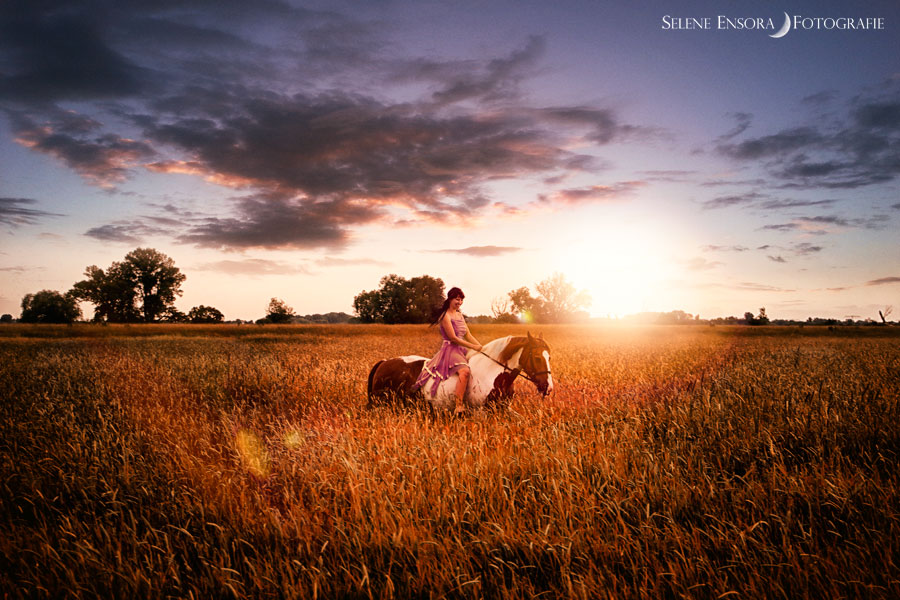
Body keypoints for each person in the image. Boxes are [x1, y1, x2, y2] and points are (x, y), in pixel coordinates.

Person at [413, 287, 483, 415]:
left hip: (462, 348)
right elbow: (453, 338)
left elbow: (468, 335)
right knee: (465, 372)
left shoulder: (459, 315)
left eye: (461, 300)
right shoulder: (445, 315)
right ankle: (459, 405)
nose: (459, 302)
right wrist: (473, 347)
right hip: (450, 349)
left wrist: (482, 348)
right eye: (457, 299)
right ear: (450, 299)